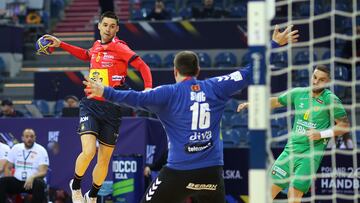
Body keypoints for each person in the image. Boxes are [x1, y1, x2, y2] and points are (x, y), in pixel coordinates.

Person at [83, 25, 297, 202]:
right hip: (212, 172)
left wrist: (105, 91)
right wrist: (274, 44)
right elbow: (251, 72)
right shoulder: (216, 87)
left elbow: (135, 98)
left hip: (178, 172)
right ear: (197, 71)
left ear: (175, 72)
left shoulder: (166, 93)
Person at [44, 11, 153, 203]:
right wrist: (61, 44)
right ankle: (76, 186)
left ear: (117, 29)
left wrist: (148, 90)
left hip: (112, 108)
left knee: (104, 160)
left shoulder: (120, 47)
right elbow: (86, 55)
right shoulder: (96, 46)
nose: (108, 29)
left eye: (112, 26)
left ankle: (92, 195)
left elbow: (143, 66)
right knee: (89, 152)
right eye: (105, 25)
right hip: (91, 104)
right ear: (99, 26)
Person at [237, 65, 350, 203]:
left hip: (310, 155)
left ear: (327, 82)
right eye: (314, 77)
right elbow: (277, 101)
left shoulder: (331, 100)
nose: (315, 81)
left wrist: (321, 134)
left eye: (321, 80)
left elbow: (344, 126)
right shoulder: (298, 93)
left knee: (293, 195)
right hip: (291, 150)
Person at [0, 128, 49, 203]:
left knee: (39, 184)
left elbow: (43, 172)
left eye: (31, 136)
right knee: (2, 182)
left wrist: (32, 177)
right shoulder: (16, 148)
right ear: (22, 138)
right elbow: (8, 167)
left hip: (32, 182)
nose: (29, 139)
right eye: (27, 136)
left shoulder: (41, 150)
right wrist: (10, 178)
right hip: (17, 180)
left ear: (35, 138)